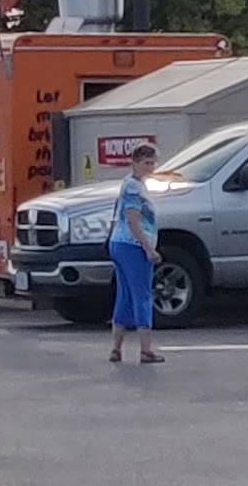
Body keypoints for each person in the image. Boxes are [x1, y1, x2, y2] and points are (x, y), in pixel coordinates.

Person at [108, 143, 164, 364]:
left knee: (124, 296)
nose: (150, 167)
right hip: (133, 246)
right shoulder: (134, 187)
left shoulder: (130, 183)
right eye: (146, 163)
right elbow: (132, 220)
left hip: (119, 243)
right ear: (135, 162)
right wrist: (148, 249)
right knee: (142, 295)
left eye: (152, 163)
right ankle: (145, 349)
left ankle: (116, 348)